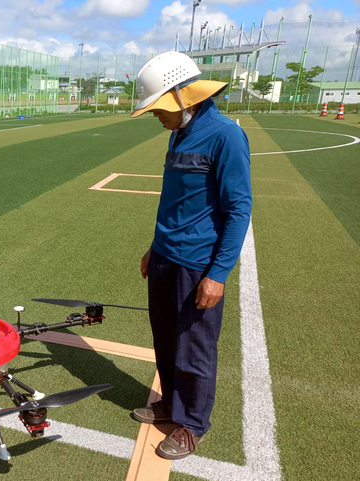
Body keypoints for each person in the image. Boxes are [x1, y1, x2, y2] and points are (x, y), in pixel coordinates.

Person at [128, 51, 252, 460]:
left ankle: (192, 424)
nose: (156, 116)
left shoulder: (225, 136)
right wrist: (154, 247)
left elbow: (238, 210)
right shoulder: (177, 133)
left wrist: (217, 274)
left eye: (160, 108)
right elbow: (175, 200)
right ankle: (171, 404)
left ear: (185, 96)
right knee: (164, 338)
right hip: (165, 257)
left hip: (198, 265)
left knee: (194, 347)